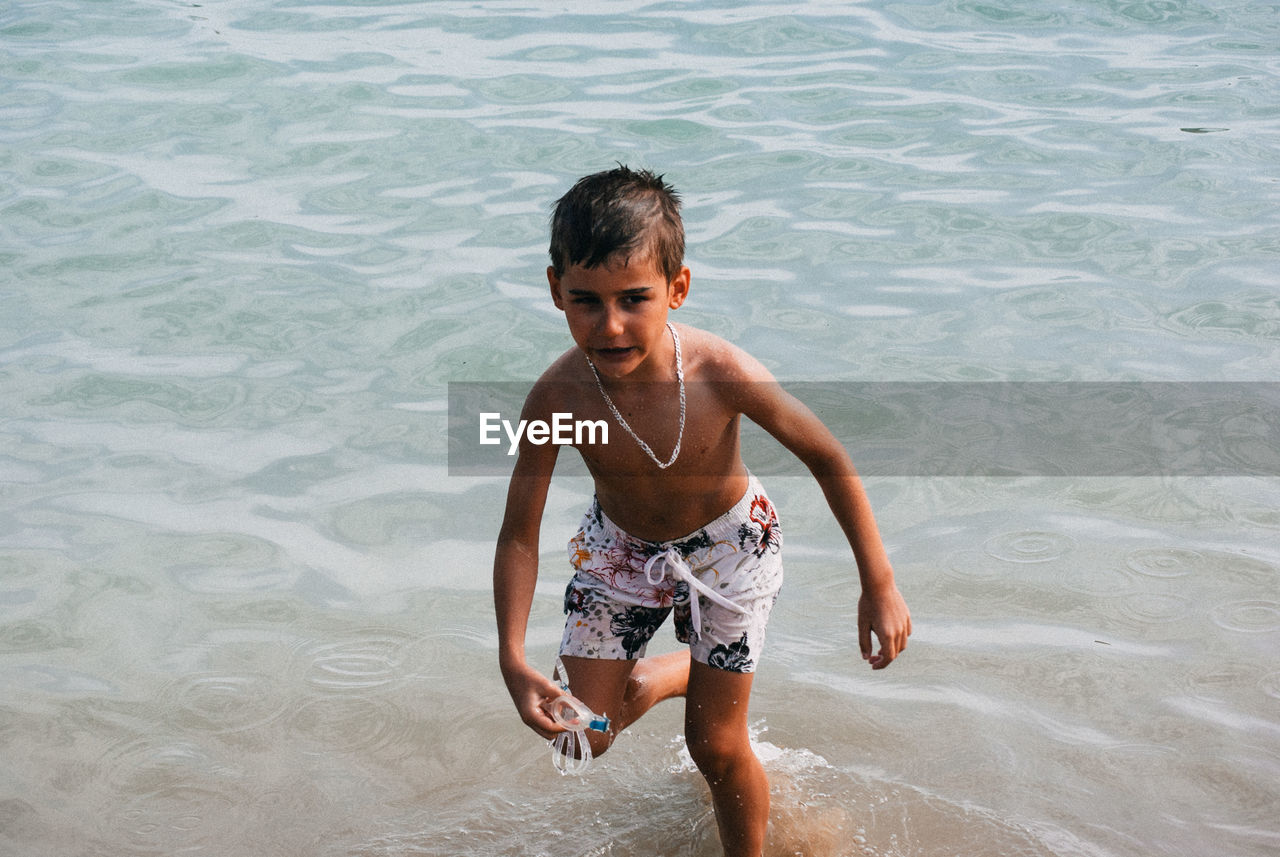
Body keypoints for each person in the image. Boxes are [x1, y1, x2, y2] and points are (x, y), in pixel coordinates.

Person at [493, 165, 911, 857]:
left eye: (635, 298)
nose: (611, 324)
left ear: (677, 289)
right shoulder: (557, 398)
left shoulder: (720, 374)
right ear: (554, 291)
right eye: (585, 301)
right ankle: (686, 670)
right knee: (581, 733)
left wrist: (880, 582)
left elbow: (828, 455)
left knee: (715, 746)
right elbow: (519, 533)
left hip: (730, 545)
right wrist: (511, 655)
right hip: (619, 550)